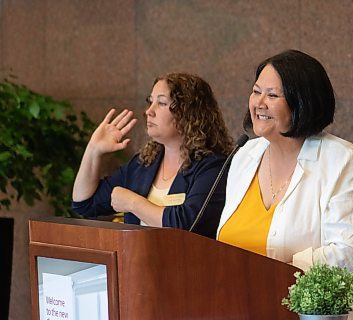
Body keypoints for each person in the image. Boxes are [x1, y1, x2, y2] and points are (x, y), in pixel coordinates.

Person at [216, 49, 353, 320]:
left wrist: (270, 273)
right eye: (256, 91)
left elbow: (349, 251)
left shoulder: (340, 158)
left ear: (302, 102)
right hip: (247, 318)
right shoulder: (245, 156)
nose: (259, 102)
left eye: (272, 95)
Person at [72, 73, 234, 238]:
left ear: (189, 114)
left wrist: (132, 203)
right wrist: (93, 150)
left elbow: (187, 224)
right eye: (151, 101)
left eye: (162, 103)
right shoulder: (144, 163)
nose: (149, 111)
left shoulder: (213, 166)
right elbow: (84, 204)